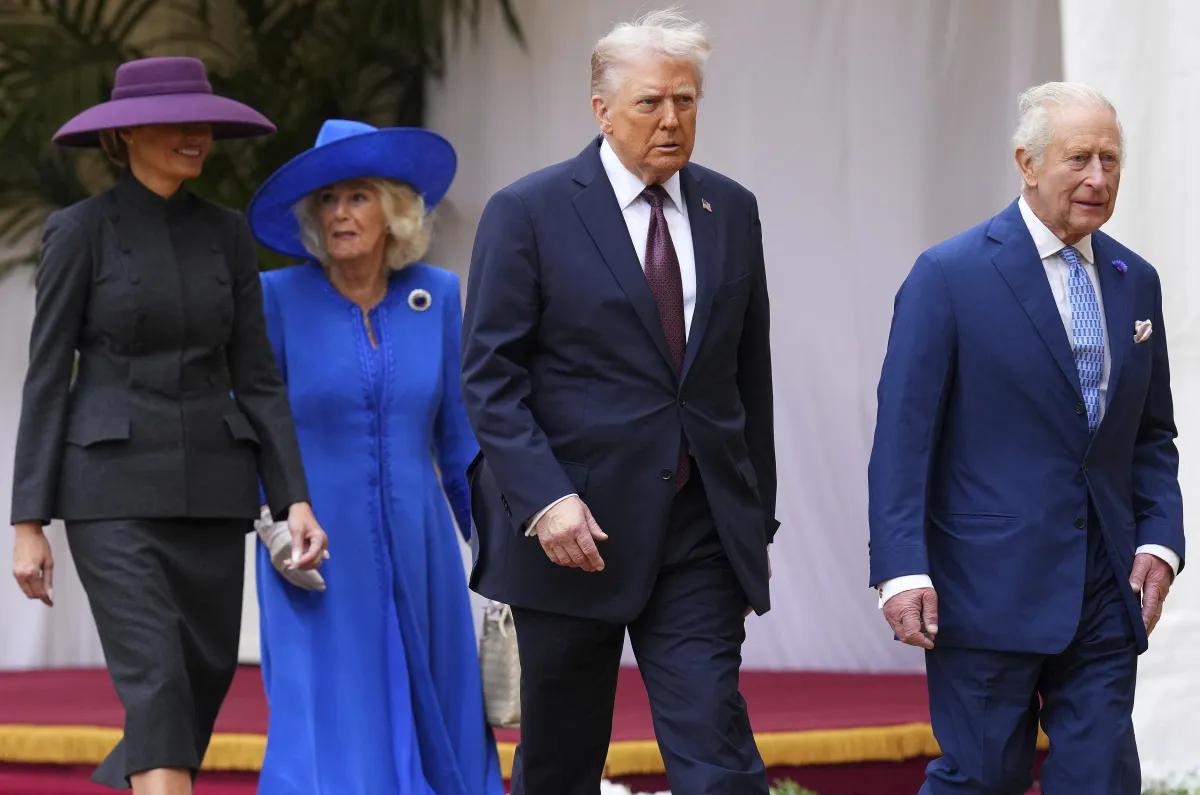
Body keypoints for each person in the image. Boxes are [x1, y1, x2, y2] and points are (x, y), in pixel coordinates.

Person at [461, 9, 778, 795]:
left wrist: (752, 523)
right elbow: (490, 376)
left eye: (687, 101)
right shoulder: (529, 212)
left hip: (697, 531)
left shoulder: (730, 210)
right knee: (562, 763)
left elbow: (748, 376)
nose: (672, 119)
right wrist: (546, 500)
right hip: (573, 532)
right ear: (601, 110)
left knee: (719, 754)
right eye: (650, 102)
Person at [8, 57, 326, 795]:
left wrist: (293, 498)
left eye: (204, 122)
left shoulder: (225, 234)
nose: (197, 135)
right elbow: (48, 375)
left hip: (213, 492)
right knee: (157, 679)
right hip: (110, 493)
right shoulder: (77, 232)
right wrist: (30, 519)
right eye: (178, 123)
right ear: (125, 136)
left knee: (200, 679)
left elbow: (258, 377)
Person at [868, 81, 1185, 795]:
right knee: (981, 778)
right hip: (983, 586)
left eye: (1111, 159)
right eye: (1079, 159)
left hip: (1106, 587)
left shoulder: (1138, 281)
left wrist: (1160, 541)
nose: (1098, 178)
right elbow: (902, 439)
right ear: (1027, 162)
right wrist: (900, 568)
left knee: (1102, 778)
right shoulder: (948, 276)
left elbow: (1151, 435)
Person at [244, 118, 503, 795]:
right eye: (326, 200)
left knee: (441, 708)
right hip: (315, 550)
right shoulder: (275, 299)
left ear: (393, 210)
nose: (339, 213)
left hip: (422, 548)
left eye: (356, 196)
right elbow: (253, 427)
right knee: (327, 717)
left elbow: (458, 438)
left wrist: (496, 546)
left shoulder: (436, 295)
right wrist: (271, 521)